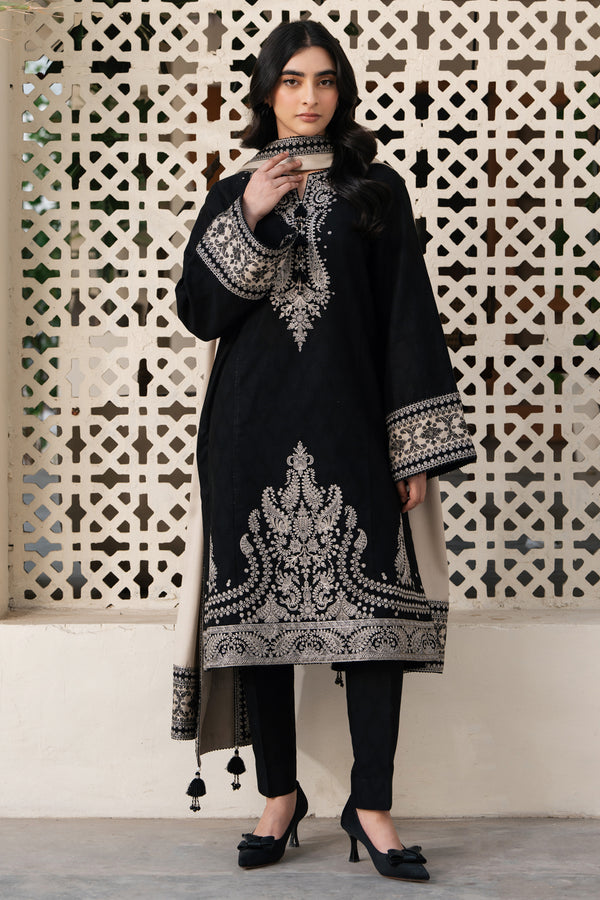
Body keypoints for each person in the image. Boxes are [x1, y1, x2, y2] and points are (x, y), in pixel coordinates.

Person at [171, 19, 476, 882]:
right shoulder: (234, 190)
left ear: (342, 91)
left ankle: (370, 806)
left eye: (326, 81)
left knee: (374, 626)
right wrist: (255, 214)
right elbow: (200, 312)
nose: (310, 97)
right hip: (249, 436)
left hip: (349, 431)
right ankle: (280, 798)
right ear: (267, 90)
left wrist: (411, 449)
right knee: (263, 630)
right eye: (294, 80)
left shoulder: (377, 190)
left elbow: (406, 324)